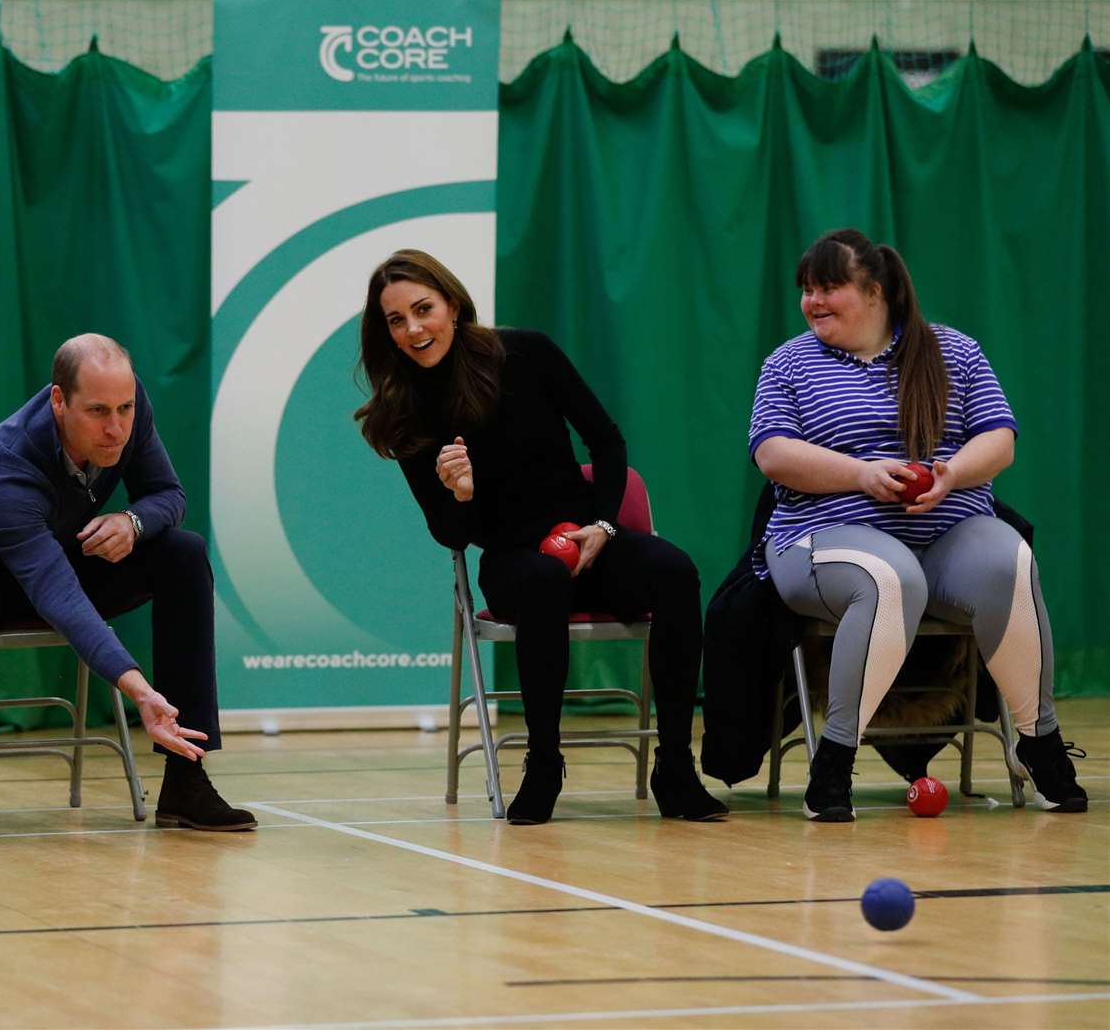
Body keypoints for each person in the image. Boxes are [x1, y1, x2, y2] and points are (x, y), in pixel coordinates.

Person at [355, 249, 727, 823]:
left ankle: (675, 766)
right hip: (512, 561)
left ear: (452, 304)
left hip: (588, 541)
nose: (413, 329)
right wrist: (460, 493)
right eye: (396, 320)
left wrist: (603, 526)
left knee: (675, 570)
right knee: (541, 580)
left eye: (423, 309)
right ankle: (543, 764)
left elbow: (607, 443)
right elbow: (450, 534)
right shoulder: (402, 410)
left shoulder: (524, 353)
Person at [750, 228, 1087, 820]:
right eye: (807, 289)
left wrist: (950, 474)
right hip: (818, 536)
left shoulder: (954, 351)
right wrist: (861, 474)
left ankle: (1040, 743)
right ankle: (833, 762)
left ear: (875, 291)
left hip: (946, 530)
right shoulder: (789, 362)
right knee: (888, 577)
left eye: (829, 288)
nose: (813, 302)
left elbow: (999, 439)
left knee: (1010, 561)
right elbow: (773, 454)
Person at [0, 333, 256, 839]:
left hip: (63, 559)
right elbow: (55, 592)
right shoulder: (5, 466)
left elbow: (168, 494)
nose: (116, 429)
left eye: (125, 409)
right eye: (99, 412)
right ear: (59, 401)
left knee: (183, 553)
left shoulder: (128, 410)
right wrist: (138, 690)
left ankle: (187, 780)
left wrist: (132, 521)